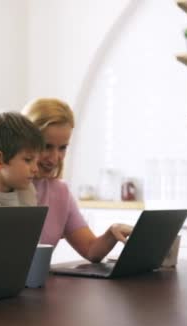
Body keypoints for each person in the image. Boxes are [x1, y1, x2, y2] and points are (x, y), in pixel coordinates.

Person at [21, 98, 131, 263]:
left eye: (62, 147)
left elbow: (90, 249)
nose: (55, 158)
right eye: (47, 146)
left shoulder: (60, 191)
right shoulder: (0, 188)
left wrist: (112, 232)